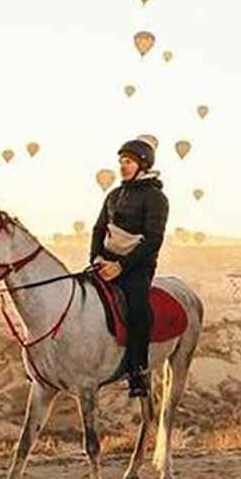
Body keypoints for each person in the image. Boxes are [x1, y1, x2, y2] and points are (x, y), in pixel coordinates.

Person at [91, 138, 169, 400]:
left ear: (143, 164)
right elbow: (98, 229)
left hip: (137, 267)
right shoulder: (113, 195)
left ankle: (137, 370)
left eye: (128, 162)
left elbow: (153, 240)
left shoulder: (156, 198)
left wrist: (121, 266)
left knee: (137, 308)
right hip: (106, 262)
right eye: (121, 162)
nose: (122, 167)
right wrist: (96, 258)